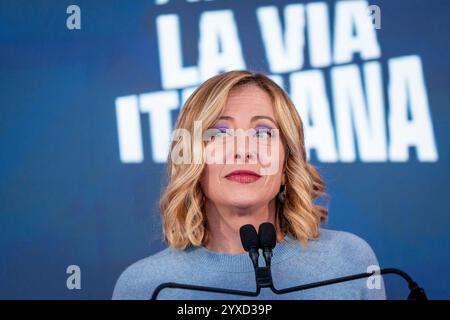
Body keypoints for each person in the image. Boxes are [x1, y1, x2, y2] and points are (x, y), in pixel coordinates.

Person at [112, 70, 386, 300]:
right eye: (219, 133)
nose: (243, 151)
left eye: (264, 132)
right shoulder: (145, 287)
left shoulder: (349, 260)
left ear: (287, 160)